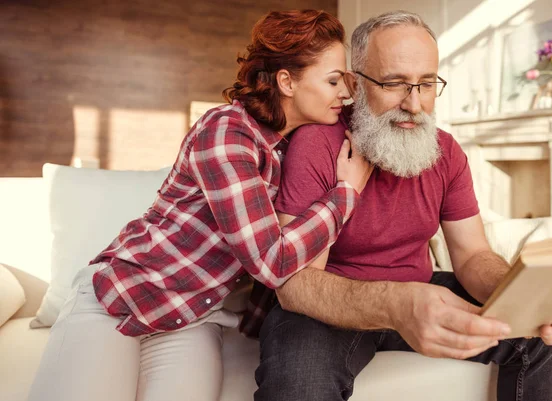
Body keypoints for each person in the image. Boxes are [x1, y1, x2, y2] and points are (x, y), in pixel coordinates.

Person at [27, 10, 372, 401]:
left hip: (194, 319)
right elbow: (271, 260)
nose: (344, 93)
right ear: (286, 81)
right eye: (332, 81)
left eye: (345, 81)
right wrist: (346, 193)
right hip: (120, 297)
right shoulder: (227, 132)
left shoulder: (290, 147)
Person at [253, 10, 552, 401]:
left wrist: (521, 293)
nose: (414, 104)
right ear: (355, 84)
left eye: (426, 84)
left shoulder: (447, 152)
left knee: (546, 332)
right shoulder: (316, 145)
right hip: (331, 308)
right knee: (297, 380)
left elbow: (472, 254)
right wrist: (395, 303)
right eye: (394, 83)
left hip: (418, 294)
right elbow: (296, 285)